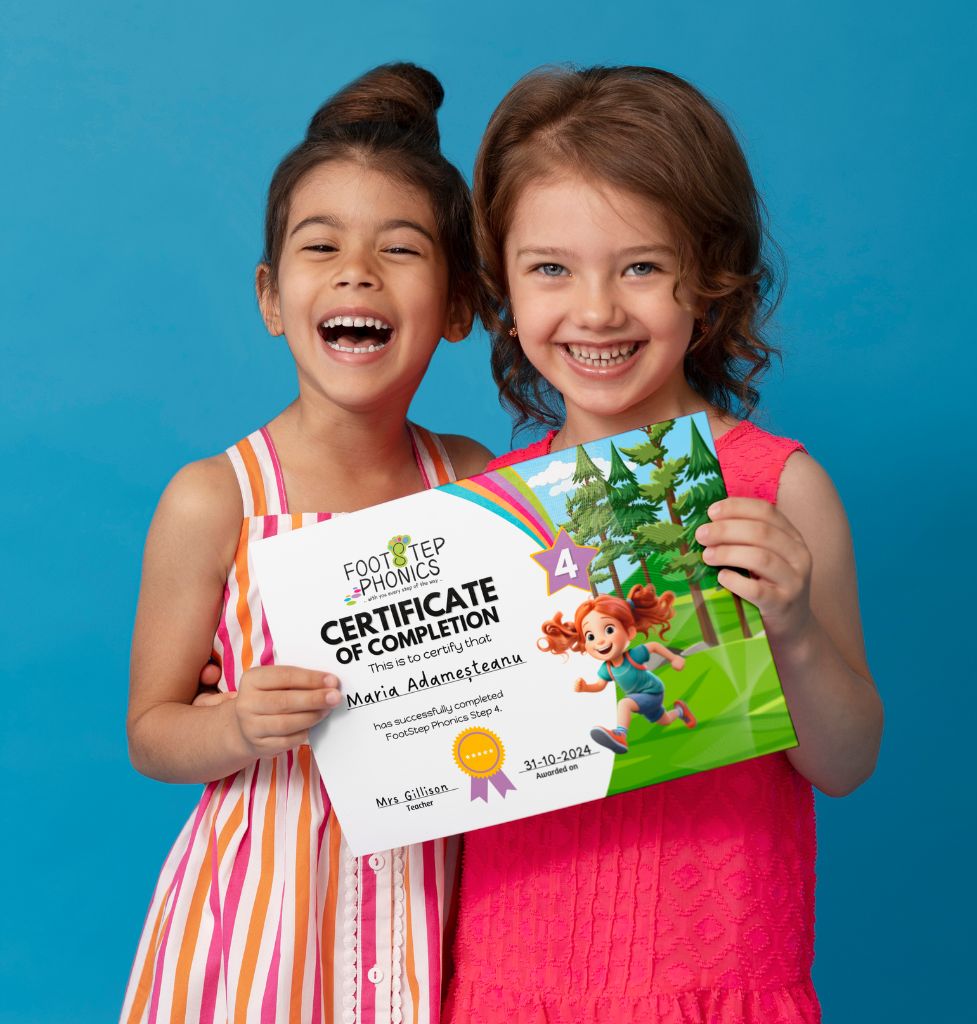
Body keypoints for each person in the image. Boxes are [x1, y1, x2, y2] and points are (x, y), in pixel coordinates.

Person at [442, 65, 884, 1023]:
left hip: (718, 979)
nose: (596, 311)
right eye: (551, 268)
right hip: (503, 985)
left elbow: (847, 763)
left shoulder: (778, 488)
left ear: (711, 277)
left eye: (641, 266)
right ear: (502, 286)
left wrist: (796, 633)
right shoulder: (476, 512)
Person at [120, 63, 490, 1024]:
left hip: (436, 907)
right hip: (264, 926)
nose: (356, 272)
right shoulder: (215, 500)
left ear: (457, 306)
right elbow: (153, 731)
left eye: (400, 250)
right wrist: (238, 724)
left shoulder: (476, 481)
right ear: (272, 296)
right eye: (319, 246)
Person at [538, 584, 696, 753]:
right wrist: (585, 688)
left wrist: (674, 658)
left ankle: (620, 735)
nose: (599, 641)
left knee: (624, 704)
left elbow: (654, 646)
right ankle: (680, 711)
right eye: (590, 636)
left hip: (653, 692)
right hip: (641, 698)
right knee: (664, 719)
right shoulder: (607, 668)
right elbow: (599, 685)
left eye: (609, 629)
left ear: (629, 632)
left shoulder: (632, 656)